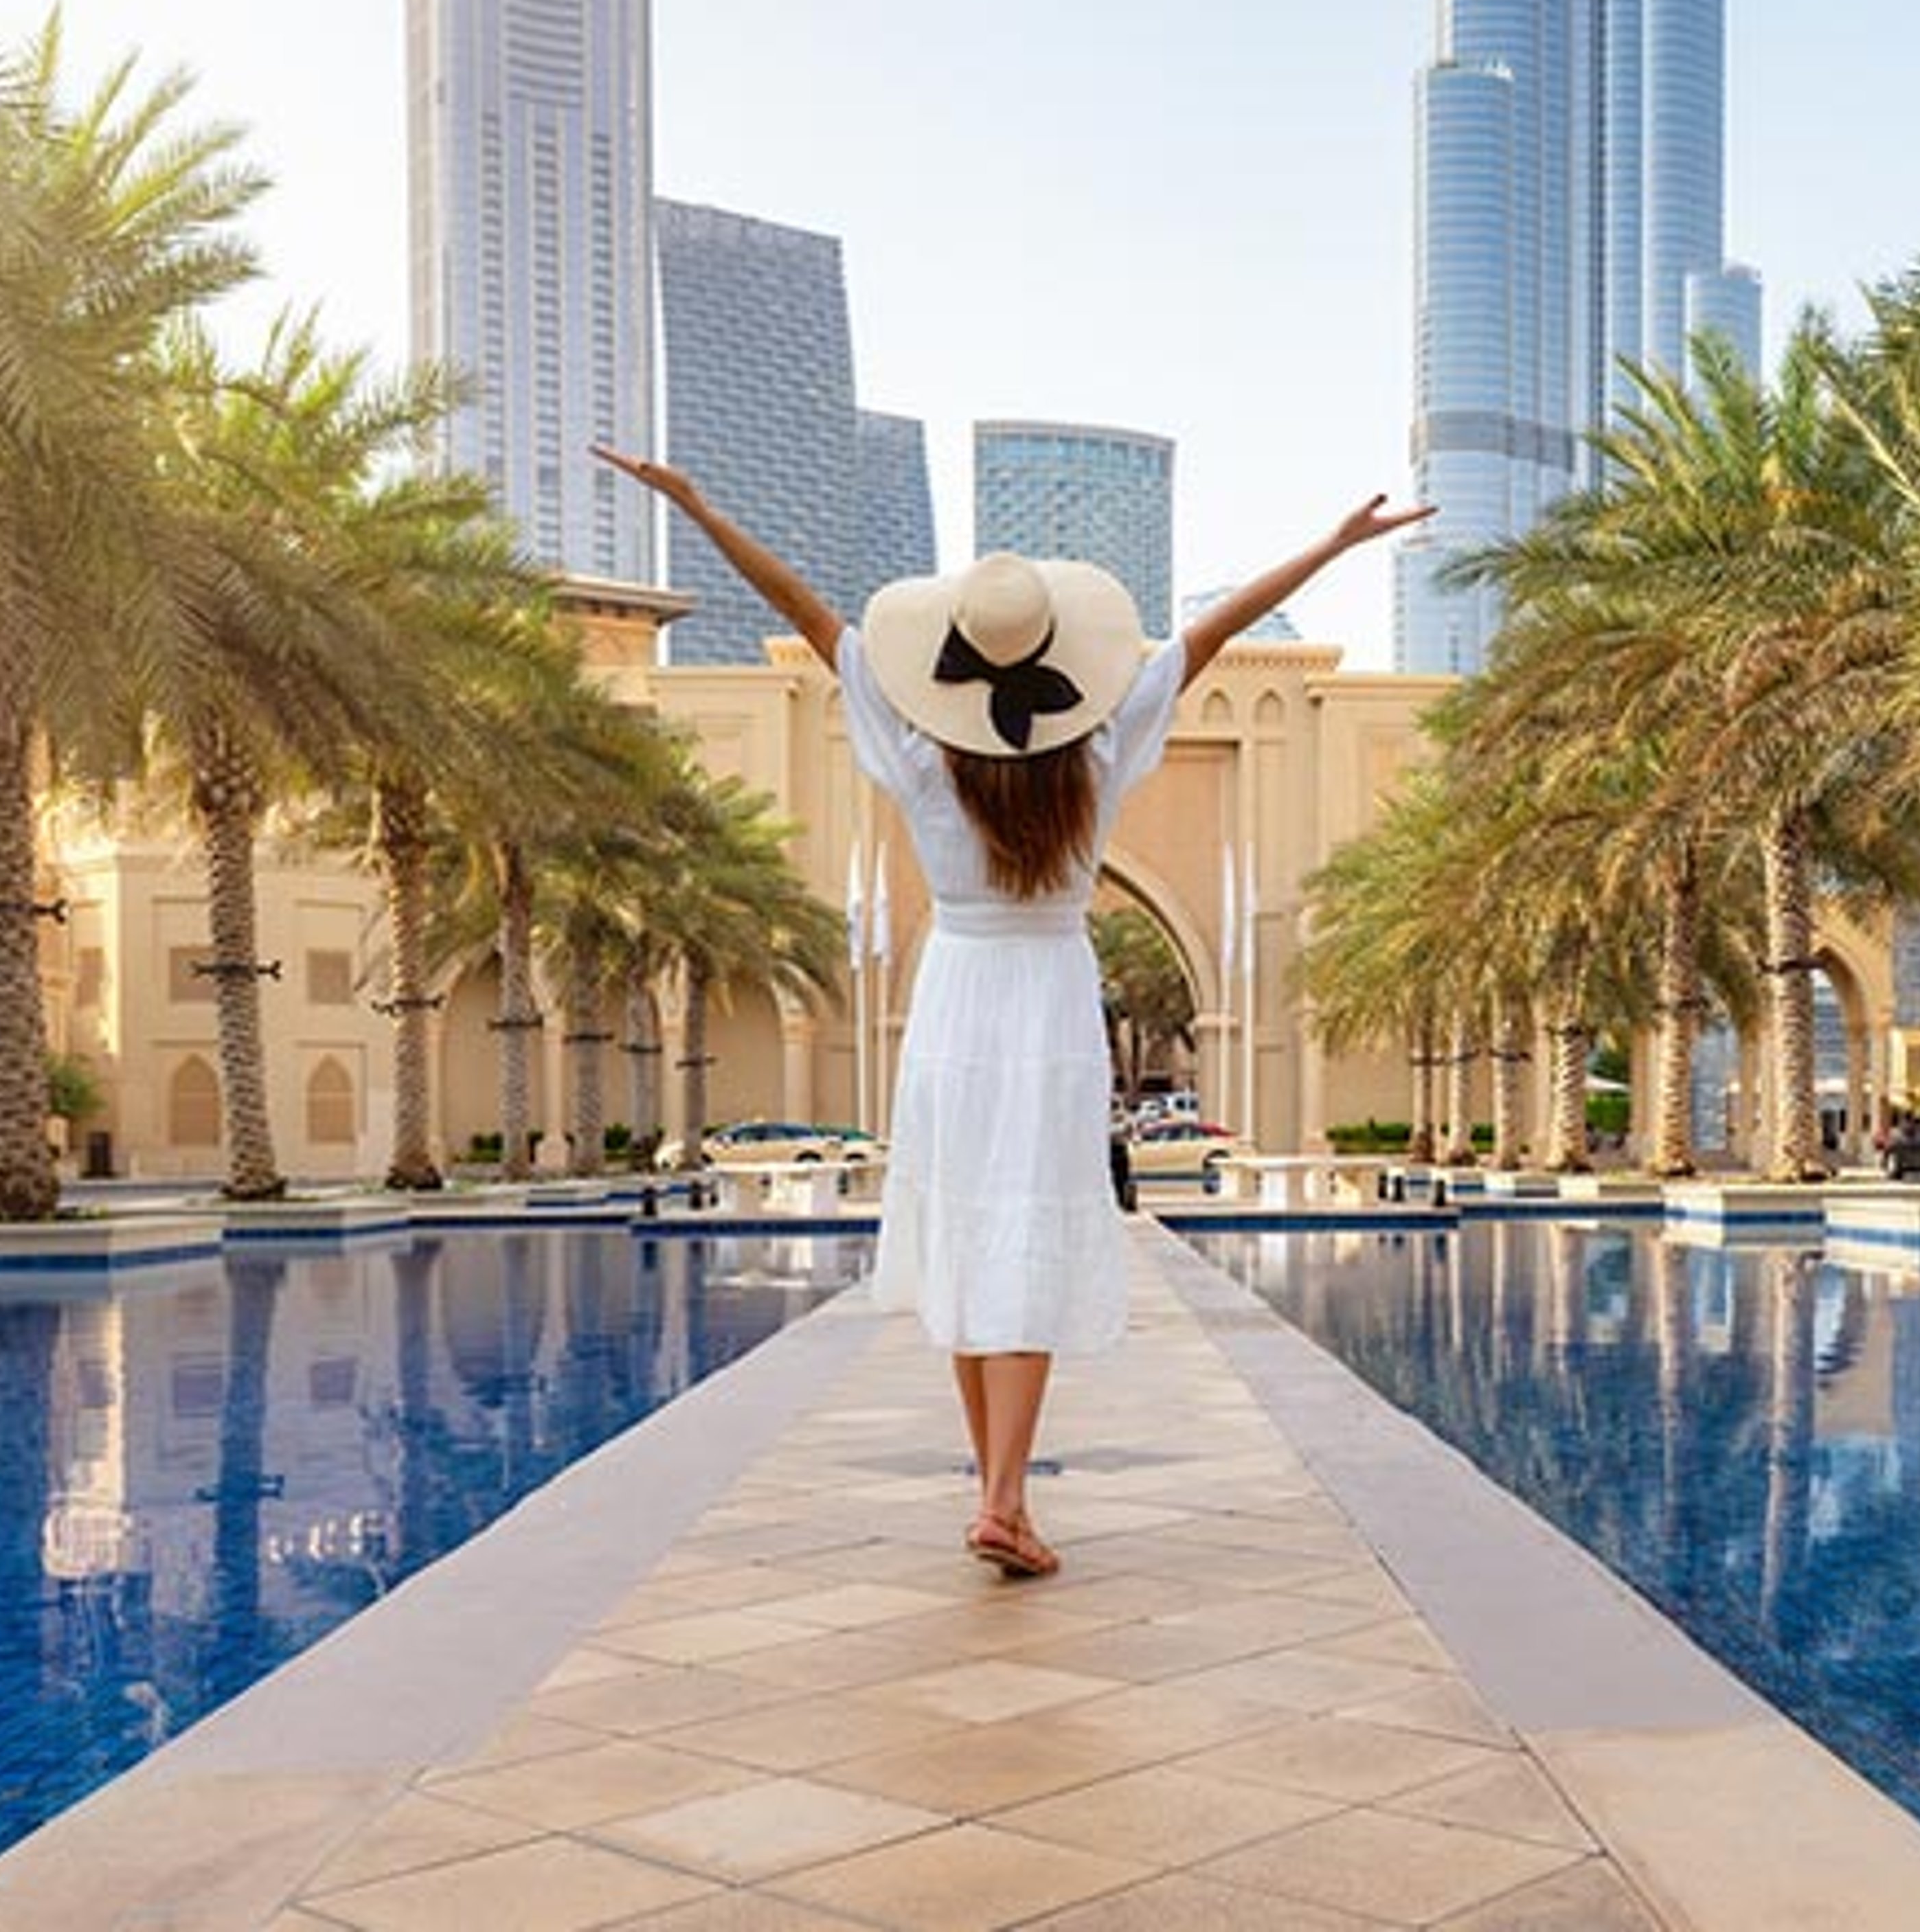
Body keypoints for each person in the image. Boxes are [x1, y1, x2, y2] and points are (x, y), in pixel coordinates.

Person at [596, 445, 1426, 1578]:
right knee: (1026, 1237)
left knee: (968, 1234)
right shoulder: (1092, 755)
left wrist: (697, 504)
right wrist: (1332, 547)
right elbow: (1217, 632)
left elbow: (809, 610)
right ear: (1055, 658)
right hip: (1046, 998)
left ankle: (1000, 1497)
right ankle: (1004, 1500)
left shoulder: (924, 761)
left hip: (956, 997)